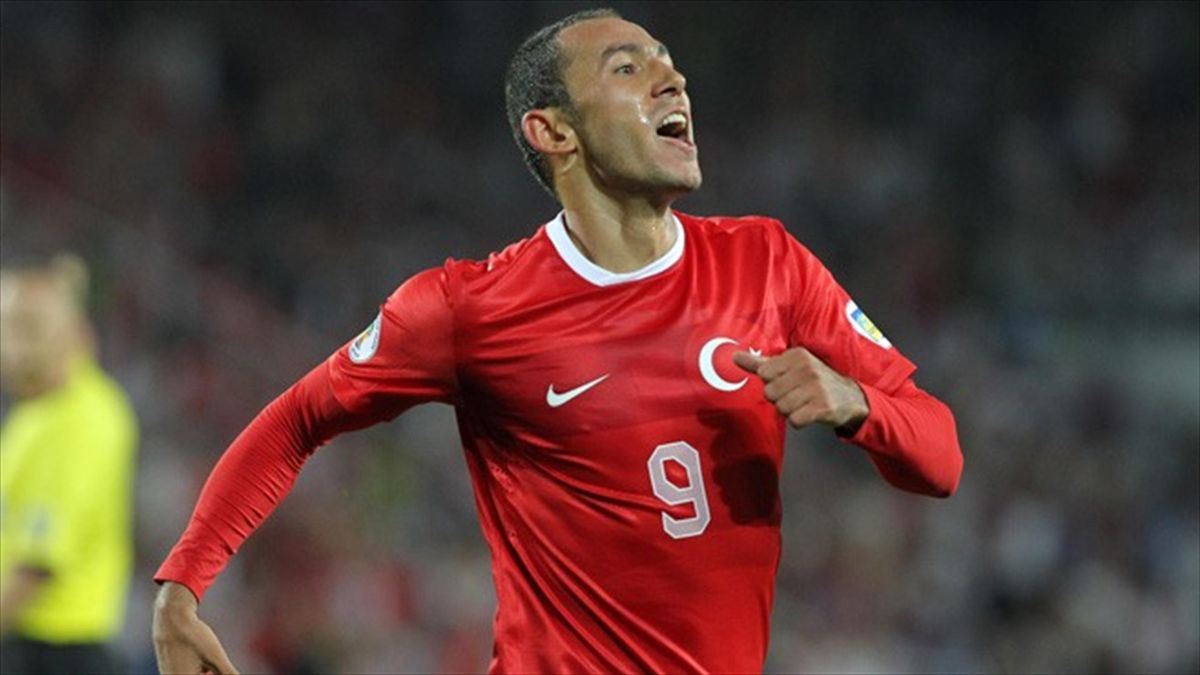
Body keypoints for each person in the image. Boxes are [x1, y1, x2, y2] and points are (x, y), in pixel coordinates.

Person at [152, 8, 963, 674]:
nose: (672, 79)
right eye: (628, 67)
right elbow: (298, 418)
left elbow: (941, 458)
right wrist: (180, 589)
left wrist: (858, 405)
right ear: (553, 131)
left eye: (669, 61)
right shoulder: (466, 309)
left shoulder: (768, 263)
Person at [0, 254, 139, 674]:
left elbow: (36, 568)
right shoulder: (36, 410)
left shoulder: (82, 419)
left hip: (54, 652)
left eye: (26, 329)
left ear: (72, 333)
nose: (10, 349)